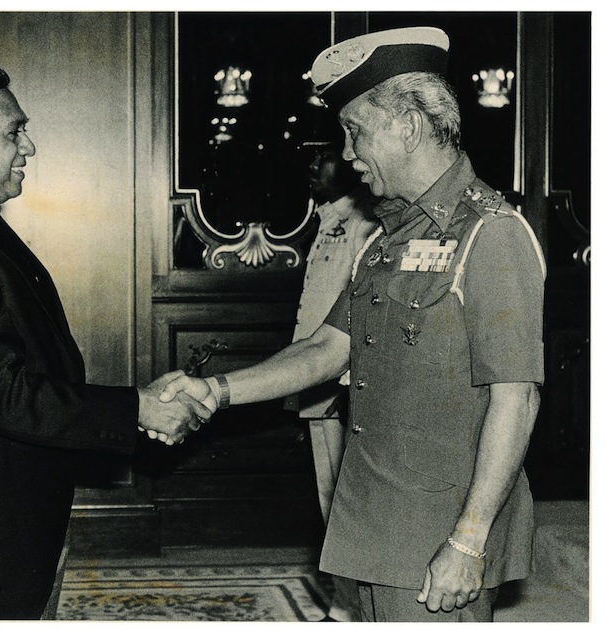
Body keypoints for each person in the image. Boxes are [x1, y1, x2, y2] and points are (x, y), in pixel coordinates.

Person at [159, 26, 546, 622]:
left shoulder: (491, 235)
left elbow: (515, 400)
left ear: (408, 125)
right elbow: (324, 349)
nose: (346, 152)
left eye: (354, 131)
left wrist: (468, 542)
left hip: (436, 537)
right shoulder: (387, 239)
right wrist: (216, 391)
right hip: (370, 523)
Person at [0, 61, 209, 620]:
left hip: (6, 512)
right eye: (13, 131)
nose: (27, 146)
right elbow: (0, 391)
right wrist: (136, 410)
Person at [286, 139, 378, 621]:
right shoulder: (327, 222)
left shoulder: (365, 223)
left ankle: (355, 603)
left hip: (342, 380)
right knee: (328, 490)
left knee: (346, 493)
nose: (311, 168)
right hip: (315, 377)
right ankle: (345, 600)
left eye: (320, 159)